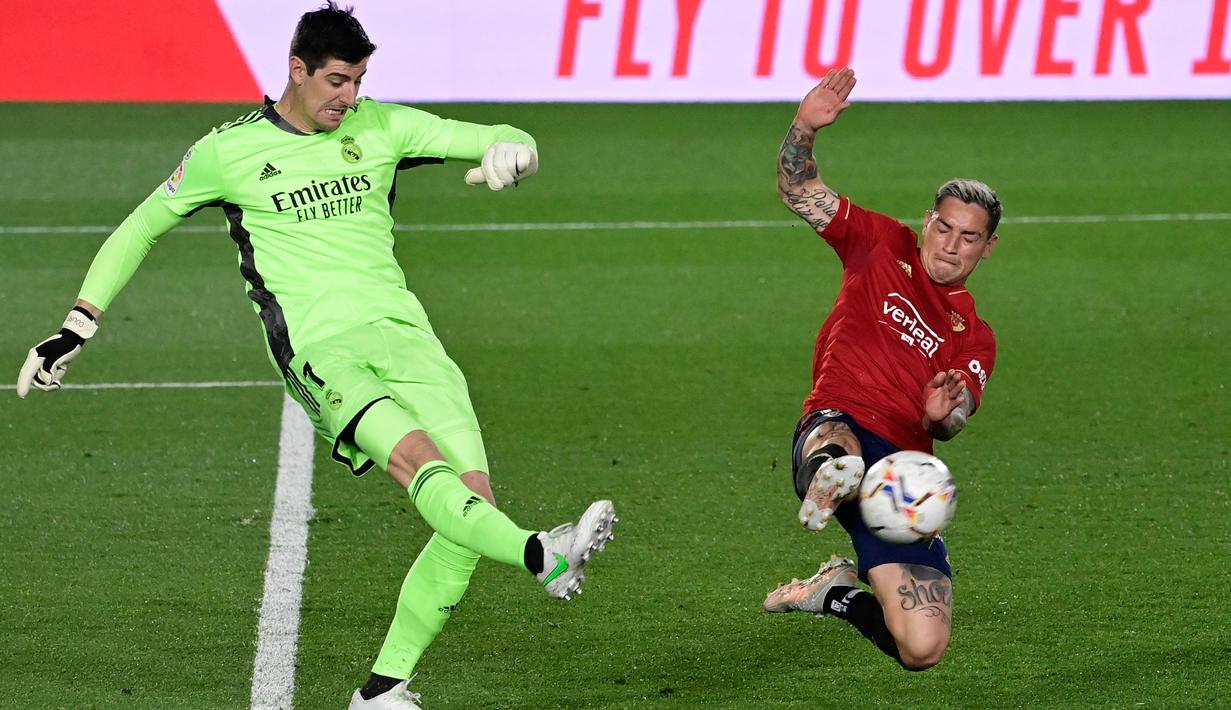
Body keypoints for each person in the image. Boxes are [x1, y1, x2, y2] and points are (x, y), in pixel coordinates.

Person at [15, 4, 617, 708]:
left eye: (359, 80)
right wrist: (76, 325)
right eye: (336, 81)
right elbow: (142, 225)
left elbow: (497, 134)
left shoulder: (382, 126)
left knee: (469, 507)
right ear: (296, 70)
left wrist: (518, 151)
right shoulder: (226, 152)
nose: (349, 98)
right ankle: (542, 555)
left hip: (409, 338)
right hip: (321, 350)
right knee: (421, 464)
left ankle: (382, 691)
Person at [761, 68, 1000, 671]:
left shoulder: (974, 336)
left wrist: (943, 418)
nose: (950, 244)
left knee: (921, 649)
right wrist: (804, 127)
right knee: (836, 442)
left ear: (986, 248)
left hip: (903, 478)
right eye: (943, 227)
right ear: (927, 220)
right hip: (841, 416)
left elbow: (958, 412)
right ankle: (829, 473)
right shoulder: (879, 243)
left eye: (968, 238)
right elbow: (799, 189)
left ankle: (833, 593)